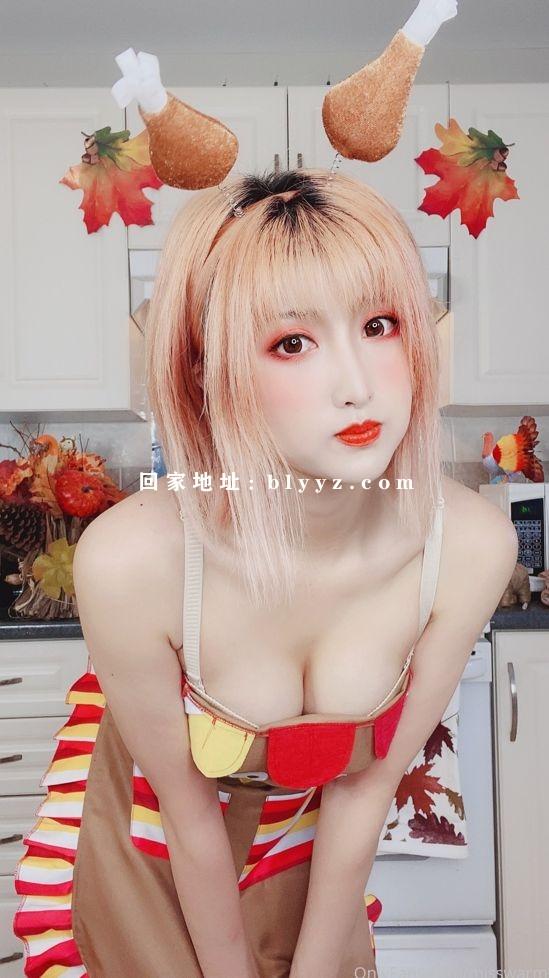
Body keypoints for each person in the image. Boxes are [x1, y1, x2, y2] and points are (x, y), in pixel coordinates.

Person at [13, 166, 517, 978]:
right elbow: (186, 815)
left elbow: (365, 789)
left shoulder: (469, 545)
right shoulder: (135, 559)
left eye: (380, 324)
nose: (356, 387)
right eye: (291, 343)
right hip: (149, 852)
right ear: (204, 369)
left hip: (306, 852)